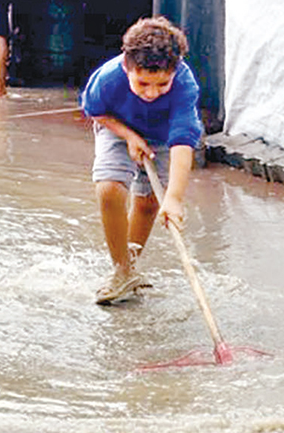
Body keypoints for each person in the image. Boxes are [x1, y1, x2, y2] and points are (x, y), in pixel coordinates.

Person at [81, 16, 203, 304]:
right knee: (109, 188)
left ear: (176, 71)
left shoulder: (186, 86)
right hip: (117, 126)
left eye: (162, 84)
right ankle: (121, 270)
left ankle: (132, 264)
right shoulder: (109, 77)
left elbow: (183, 143)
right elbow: (95, 111)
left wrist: (173, 198)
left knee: (149, 202)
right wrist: (129, 137)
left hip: (163, 137)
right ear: (127, 67)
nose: (151, 92)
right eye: (143, 83)